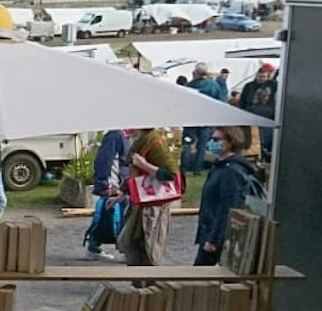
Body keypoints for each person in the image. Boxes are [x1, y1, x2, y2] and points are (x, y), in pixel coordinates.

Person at [119, 126, 179, 266]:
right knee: (131, 245)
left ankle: (148, 283)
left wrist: (145, 165)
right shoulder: (140, 141)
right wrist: (122, 193)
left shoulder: (155, 142)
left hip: (152, 206)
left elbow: (171, 174)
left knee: (148, 248)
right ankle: (139, 282)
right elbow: (136, 175)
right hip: (139, 202)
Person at [194, 127, 254, 266]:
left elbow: (228, 206)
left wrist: (214, 239)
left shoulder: (231, 171)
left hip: (217, 235)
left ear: (230, 142)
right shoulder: (219, 167)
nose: (211, 142)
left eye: (216, 139)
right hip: (208, 230)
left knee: (200, 276)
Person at [84, 128, 130, 259]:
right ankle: (96, 247)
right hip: (114, 184)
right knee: (110, 216)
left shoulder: (126, 136)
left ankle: (94, 246)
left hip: (121, 183)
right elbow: (105, 159)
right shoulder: (115, 135)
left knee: (109, 216)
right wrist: (104, 183)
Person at [181, 63, 230, 172]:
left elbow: (183, 103)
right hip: (206, 119)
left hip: (191, 119)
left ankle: (184, 167)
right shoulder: (213, 85)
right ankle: (197, 169)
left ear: (196, 72)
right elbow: (220, 101)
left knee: (187, 143)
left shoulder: (189, 86)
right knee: (202, 146)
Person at [235, 62, 279, 158]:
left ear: (268, 77)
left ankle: (263, 150)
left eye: (264, 77)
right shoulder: (249, 86)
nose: (261, 79)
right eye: (260, 77)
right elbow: (243, 100)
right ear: (256, 76)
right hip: (251, 114)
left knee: (264, 136)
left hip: (267, 115)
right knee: (251, 136)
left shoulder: (273, 85)